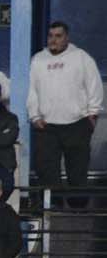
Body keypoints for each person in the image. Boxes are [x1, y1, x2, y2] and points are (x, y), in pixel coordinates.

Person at [27, 20, 102, 194]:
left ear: (67, 37)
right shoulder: (38, 60)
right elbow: (32, 91)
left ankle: (78, 209)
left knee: (77, 172)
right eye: (50, 36)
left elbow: (94, 86)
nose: (53, 40)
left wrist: (92, 114)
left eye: (58, 36)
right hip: (47, 127)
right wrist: (34, 116)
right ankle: (53, 209)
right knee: (47, 172)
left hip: (77, 124)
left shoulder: (81, 57)